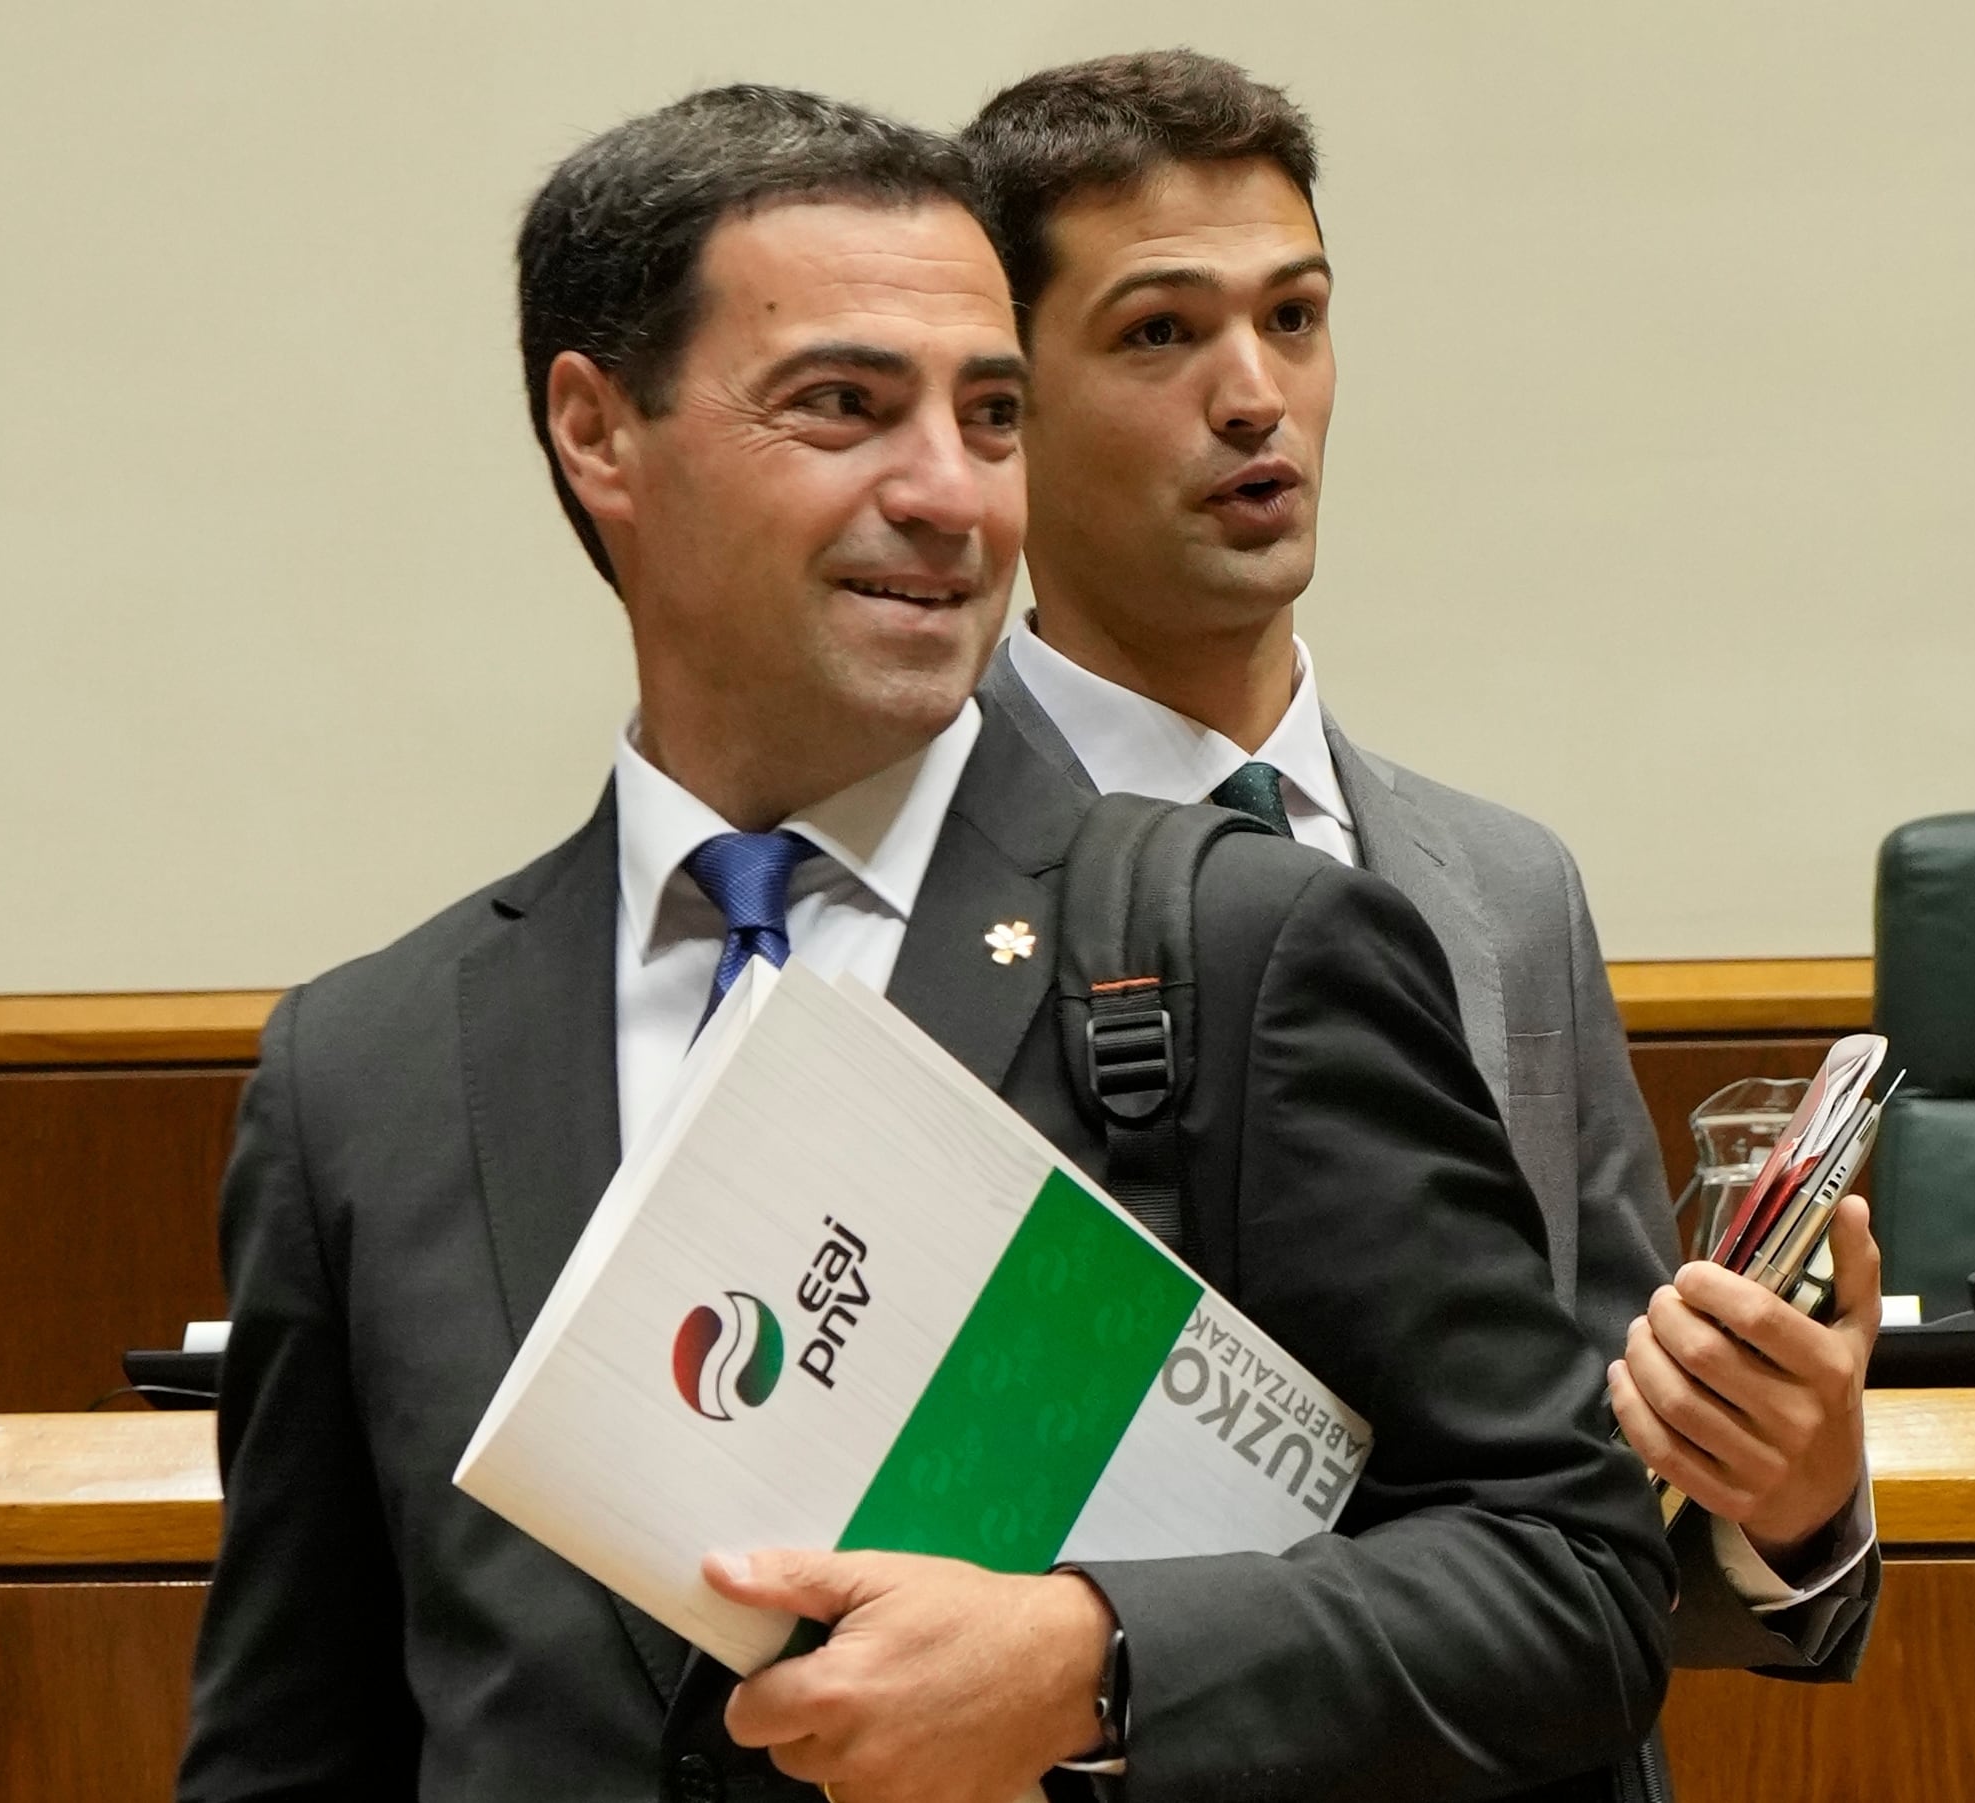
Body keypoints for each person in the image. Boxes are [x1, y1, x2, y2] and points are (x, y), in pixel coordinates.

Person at [178, 84, 1671, 1803]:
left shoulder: (1240, 946)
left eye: (992, 416)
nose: (951, 496)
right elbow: (299, 1740)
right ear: (598, 432)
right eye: (846, 409)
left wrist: (1096, 1662)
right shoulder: (367, 1072)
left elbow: (1574, 1581)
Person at [959, 47, 1883, 1786]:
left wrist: (1792, 1490)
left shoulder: (1499, 886)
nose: (1255, 395)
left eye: (1295, 318)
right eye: (1163, 334)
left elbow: (1611, 1520)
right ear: (1002, 408)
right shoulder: (907, 870)